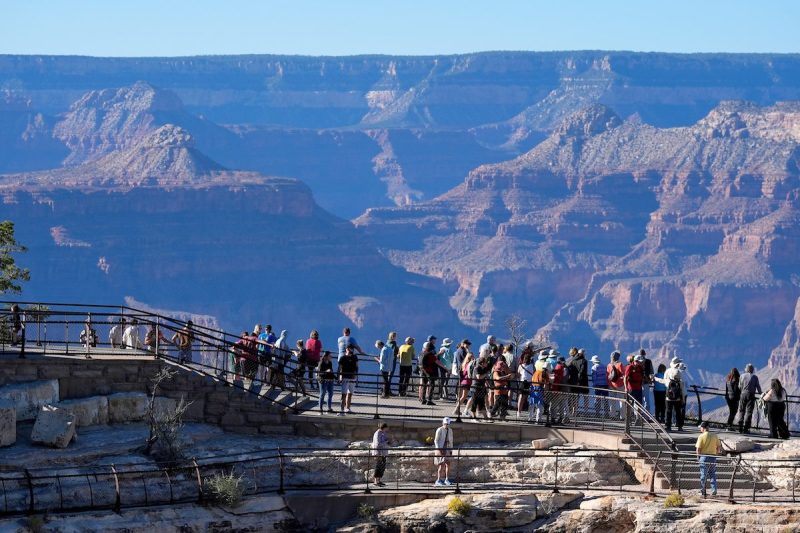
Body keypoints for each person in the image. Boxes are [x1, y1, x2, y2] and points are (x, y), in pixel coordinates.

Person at [655, 357, 685, 431]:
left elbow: (663, 380)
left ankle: (668, 426)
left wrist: (655, 378)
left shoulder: (668, 373)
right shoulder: (679, 378)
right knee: (678, 411)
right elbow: (682, 390)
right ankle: (679, 426)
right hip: (677, 398)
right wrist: (683, 399)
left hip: (669, 397)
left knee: (668, 411)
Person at [695, 421, 721, 497]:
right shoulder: (714, 435)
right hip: (713, 457)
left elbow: (698, 448)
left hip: (704, 457)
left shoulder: (701, 436)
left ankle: (703, 490)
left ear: (703, 428)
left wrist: (698, 457)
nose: (700, 429)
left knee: (703, 474)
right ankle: (714, 490)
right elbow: (719, 447)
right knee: (712, 474)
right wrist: (716, 453)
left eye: (701, 428)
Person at [420, 336, 446, 405]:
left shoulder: (422, 353)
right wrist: (445, 368)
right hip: (429, 370)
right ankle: (429, 400)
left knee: (424, 384)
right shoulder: (430, 354)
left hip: (423, 370)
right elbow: (436, 361)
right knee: (432, 384)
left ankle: (423, 399)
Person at [737, 363, 762, 434]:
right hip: (751, 395)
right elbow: (758, 387)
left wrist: (743, 391)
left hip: (743, 394)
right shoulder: (755, 377)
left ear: (746, 369)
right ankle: (746, 428)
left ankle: (740, 426)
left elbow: (739, 386)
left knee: (741, 410)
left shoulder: (742, 376)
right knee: (749, 412)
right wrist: (762, 394)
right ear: (752, 370)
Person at [490, 356, 514, 420]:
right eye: (502, 365)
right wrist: (507, 376)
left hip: (504, 390)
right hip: (498, 390)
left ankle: (502, 416)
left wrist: (509, 375)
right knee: (498, 403)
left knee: (504, 403)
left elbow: (510, 376)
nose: (504, 366)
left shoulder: (503, 371)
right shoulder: (496, 372)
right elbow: (497, 378)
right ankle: (492, 413)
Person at [337, 345, 359, 415]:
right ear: (346, 349)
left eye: (352, 348)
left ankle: (348, 408)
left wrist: (355, 375)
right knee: (344, 394)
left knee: (350, 394)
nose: (351, 350)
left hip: (352, 378)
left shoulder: (355, 357)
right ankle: (342, 410)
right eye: (350, 348)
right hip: (345, 377)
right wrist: (340, 376)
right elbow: (340, 368)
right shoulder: (342, 358)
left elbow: (357, 367)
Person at [453, 348, 474, 417]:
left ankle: (457, 410)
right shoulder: (470, 364)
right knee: (464, 397)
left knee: (463, 396)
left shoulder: (464, 364)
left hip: (463, 381)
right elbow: (469, 373)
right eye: (473, 356)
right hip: (467, 381)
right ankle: (456, 410)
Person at [529, 356, 550, 424]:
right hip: (540, 389)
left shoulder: (536, 372)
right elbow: (546, 384)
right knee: (539, 405)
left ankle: (530, 418)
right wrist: (545, 393)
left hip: (533, 388)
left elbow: (532, 379)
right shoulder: (545, 374)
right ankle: (538, 419)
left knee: (532, 404)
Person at [433, 417, 454, 486]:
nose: (446, 425)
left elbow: (451, 440)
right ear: (443, 423)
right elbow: (436, 440)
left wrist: (451, 449)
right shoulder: (439, 430)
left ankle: (446, 479)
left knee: (448, 464)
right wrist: (438, 449)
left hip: (447, 448)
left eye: (447, 424)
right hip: (441, 448)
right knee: (441, 465)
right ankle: (438, 479)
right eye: (445, 424)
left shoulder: (450, 430)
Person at [607, 351, 626, 419]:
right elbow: (624, 375)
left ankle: (612, 415)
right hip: (620, 385)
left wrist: (610, 384)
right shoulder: (620, 364)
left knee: (612, 401)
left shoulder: (609, 365)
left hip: (611, 385)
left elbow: (608, 376)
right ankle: (622, 416)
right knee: (622, 401)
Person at [590, 354, 609, 419]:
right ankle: (606, 413)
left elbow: (594, 378)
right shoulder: (604, 366)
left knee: (597, 399)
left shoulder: (593, 368)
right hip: (605, 385)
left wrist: (594, 385)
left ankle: (597, 413)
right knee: (605, 399)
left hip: (598, 385)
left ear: (594, 361)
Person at [517, 352, 534, 418]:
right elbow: (534, 373)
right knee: (529, 398)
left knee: (521, 397)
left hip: (522, 382)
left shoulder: (521, 366)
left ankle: (519, 411)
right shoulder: (532, 366)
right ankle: (530, 413)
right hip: (530, 382)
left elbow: (518, 374)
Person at [640, 349, 655, 413]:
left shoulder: (637, 361)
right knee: (646, 399)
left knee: (639, 399)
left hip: (638, 383)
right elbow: (652, 372)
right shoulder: (649, 361)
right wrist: (651, 380)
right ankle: (646, 415)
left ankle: (639, 414)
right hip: (646, 382)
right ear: (645, 354)